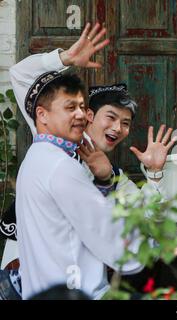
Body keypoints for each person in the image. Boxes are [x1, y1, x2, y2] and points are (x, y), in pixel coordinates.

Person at [9, 22, 146, 300]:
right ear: (42, 116)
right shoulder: (58, 160)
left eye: (82, 107)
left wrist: (110, 179)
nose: (80, 114)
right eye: (71, 107)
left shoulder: (46, 152)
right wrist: (64, 59)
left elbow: (144, 211)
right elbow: (123, 249)